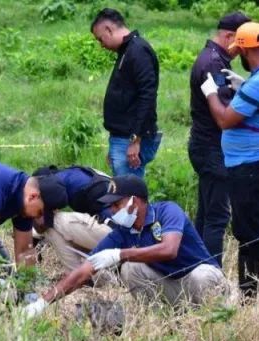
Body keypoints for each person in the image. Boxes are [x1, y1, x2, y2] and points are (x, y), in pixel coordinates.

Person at [23, 175, 228, 318]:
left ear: (135, 201)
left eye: (116, 205)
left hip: (205, 281)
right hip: (175, 289)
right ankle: (163, 319)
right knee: (131, 269)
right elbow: (83, 271)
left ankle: (212, 318)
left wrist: (121, 254)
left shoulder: (167, 211)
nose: (112, 211)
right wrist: (43, 303)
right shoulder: (122, 232)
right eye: (110, 206)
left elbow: (169, 249)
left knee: (200, 276)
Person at [200, 22, 259, 297]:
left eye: (240, 52)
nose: (238, 57)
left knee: (249, 229)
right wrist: (245, 88)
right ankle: (252, 290)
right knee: (250, 224)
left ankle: (255, 293)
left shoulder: (258, 83)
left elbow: (225, 120)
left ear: (247, 50)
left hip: (248, 166)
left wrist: (211, 93)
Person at [188, 12, 251, 265]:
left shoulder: (214, 58)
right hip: (212, 148)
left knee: (205, 214)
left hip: (206, 146)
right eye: (243, 41)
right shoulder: (214, 64)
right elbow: (224, 114)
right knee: (216, 217)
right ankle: (211, 277)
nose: (245, 49)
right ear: (229, 36)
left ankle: (194, 267)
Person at [91, 8, 162, 178]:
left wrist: (135, 139)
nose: (101, 45)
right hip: (121, 138)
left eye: (100, 39)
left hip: (129, 138)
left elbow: (147, 95)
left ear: (109, 29)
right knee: (123, 194)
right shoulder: (127, 50)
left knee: (128, 198)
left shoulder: (138, 51)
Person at [31, 165, 115, 272]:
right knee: (60, 227)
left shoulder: (51, 184)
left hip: (113, 235)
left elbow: (43, 224)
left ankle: (76, 276)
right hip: (120, 233)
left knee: (53, 222)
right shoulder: (75, 174)